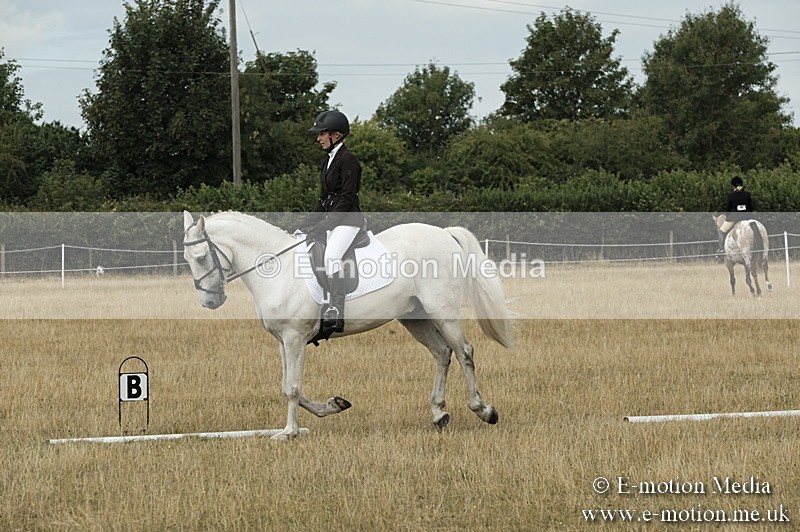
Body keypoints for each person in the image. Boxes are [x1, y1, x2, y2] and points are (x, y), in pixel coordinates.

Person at [300, 109, 364, 334]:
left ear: (336, 135)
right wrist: (305, 223)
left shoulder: (349, 161)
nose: (318, 138)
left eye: (321, 134)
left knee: (332, 256)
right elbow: (324, 198)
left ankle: (337, 309)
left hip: (348, 220)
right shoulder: (327, 161)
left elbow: (347, 198)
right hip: (334, 220)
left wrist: (326, 223)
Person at [716, 176, 754, 253]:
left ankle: (721, 249)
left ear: (733, 185)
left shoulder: (731, 195)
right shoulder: (747, 194)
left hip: (734, 218)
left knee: (721, 231)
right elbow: (751, 208)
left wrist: (727, 216)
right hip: (747, 217)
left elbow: (728, 209)